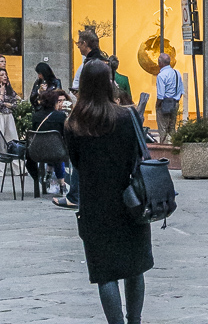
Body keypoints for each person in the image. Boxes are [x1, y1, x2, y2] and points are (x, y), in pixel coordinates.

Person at [64, 59, 153, 324]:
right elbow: (138, 155)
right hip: (130, 200)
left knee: (105, 273)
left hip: (94, 205)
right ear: (108, 84)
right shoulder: (127, 117)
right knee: (134, 268)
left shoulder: (74, 125)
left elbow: (76, 164)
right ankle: (134, 320)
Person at [153, 54, 184, 145]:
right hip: (175, 103)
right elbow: (181, 90)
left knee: (163, 129)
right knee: (172, 128)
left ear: (160, 63)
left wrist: (157, 105)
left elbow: (161, 95)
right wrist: (175, 100)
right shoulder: (176, 73)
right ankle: (174, 147)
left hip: (164, 104)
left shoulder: (161, 75)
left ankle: (164, 149)